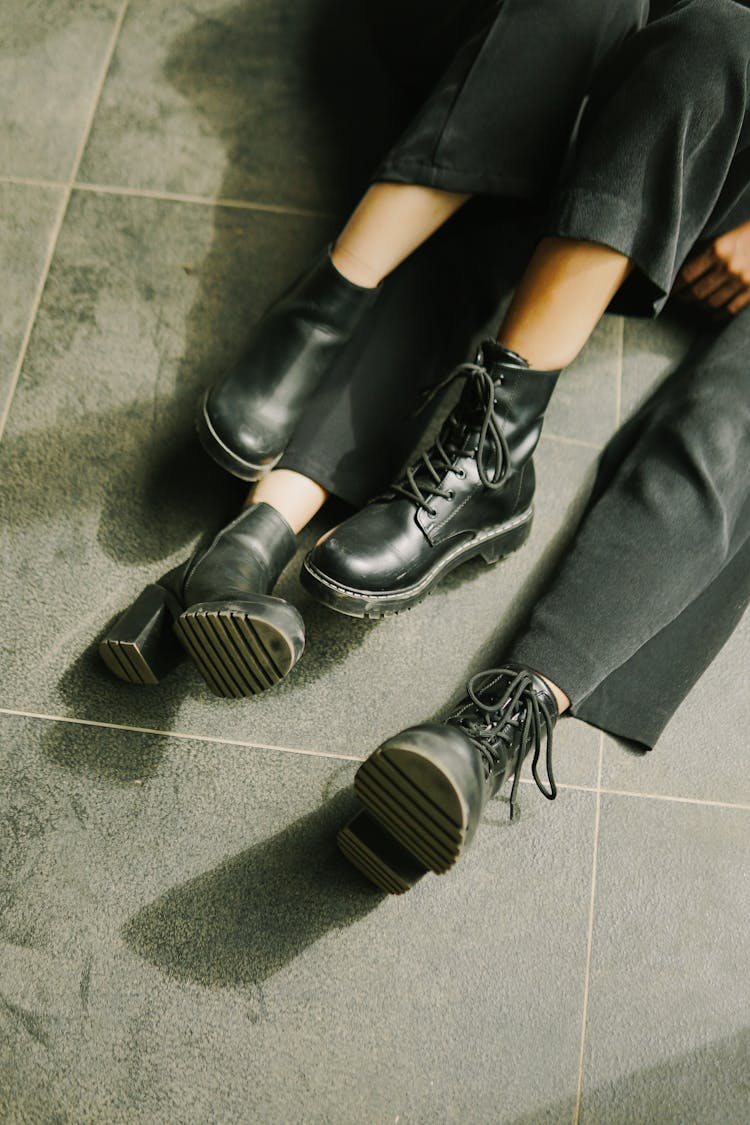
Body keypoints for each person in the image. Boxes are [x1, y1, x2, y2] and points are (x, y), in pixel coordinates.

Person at [99, 0, 749, 893]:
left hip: (711, 112)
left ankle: (492, 728)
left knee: (731, 424)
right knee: (596, 84)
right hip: (594, 54)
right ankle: (266, 533)